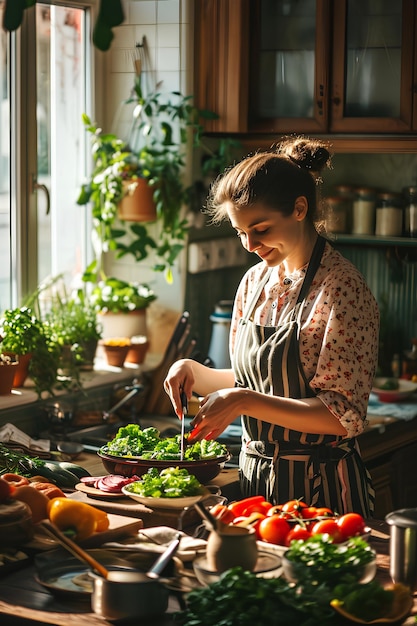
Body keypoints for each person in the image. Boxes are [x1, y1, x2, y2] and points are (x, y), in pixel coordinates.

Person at [164, 136, 379, 517]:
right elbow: (256, 378)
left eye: (260, 229)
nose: (249, 244)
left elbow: (340, 417)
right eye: (240, 232)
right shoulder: (254, 282)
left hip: (321, 489)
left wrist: (244, 401)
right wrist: (194, 372)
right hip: (256, 483)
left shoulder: (342, 288)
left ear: (299, 209)